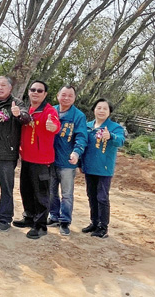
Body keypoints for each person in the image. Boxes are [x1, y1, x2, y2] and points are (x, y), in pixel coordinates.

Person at [0, 76, 30, 231]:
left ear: (10, 88)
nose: (0, 88)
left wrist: (18, 114)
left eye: (3, 85)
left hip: (8, 154)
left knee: (6, 187)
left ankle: (5, 218)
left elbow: (26, 118)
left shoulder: (17, 103)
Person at [14, 80, 61, 239]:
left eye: (39, 90)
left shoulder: (49, 111)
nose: (35, 92)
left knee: (41, 194)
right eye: (33, 89)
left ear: (45, 94)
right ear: (28, 92)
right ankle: (29, 217)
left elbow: (55, 125)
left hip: (42, 161)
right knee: (26, 190)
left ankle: (40, 226)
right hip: (26, 158)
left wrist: (53, 127)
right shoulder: (28, 109)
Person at [81, 99, 125, 239]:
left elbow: (121, 140)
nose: (101, 111)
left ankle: (103, 227)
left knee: (102, 197)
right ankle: (94, 222)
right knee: (91, 195)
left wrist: (110, 136)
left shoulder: (114, 127)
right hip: (89, 167)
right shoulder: (87, 126)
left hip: (104, 169)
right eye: (98, 108)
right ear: (94, 109)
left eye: (105, 108)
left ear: (109, 112)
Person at [49, 86, 87, 236]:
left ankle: (65, 221)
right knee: (51, 191)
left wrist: (76, 153)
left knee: (67, 193)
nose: (66, 98)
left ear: (74, 98)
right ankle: (53, 216)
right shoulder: (51, 111)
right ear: (57, 95)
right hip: (50, 159)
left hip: (67, 161)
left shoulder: (78, 116)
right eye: (63, 95)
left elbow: (81, 137)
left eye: (70, 96)